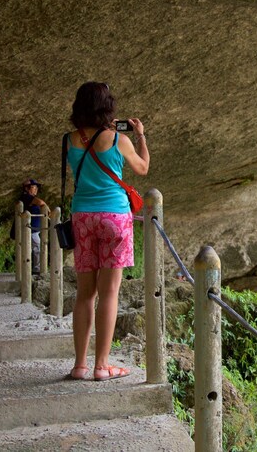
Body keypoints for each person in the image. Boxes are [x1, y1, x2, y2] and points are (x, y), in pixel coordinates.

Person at [66, 82, 150, 382]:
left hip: (83, 217)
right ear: (107, 107)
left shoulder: (70, 139)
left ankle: (79, 365)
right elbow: (142, 168)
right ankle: (102, 366)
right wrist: (139, 136)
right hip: (114, 216)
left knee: (84, 294)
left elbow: (83, 164)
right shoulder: (118, 139)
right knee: (110, 292)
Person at [18, 179, 46, 275]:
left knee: (33, 248)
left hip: (33, 230)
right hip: (30, 230)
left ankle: (31, 269)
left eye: (36, 188)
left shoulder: (28, 197)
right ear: (27, 188)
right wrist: (49, 212)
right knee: (37, 248)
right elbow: (41, 202)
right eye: (33, 187)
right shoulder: (26, 197)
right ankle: (35, 269)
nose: (36, 190)